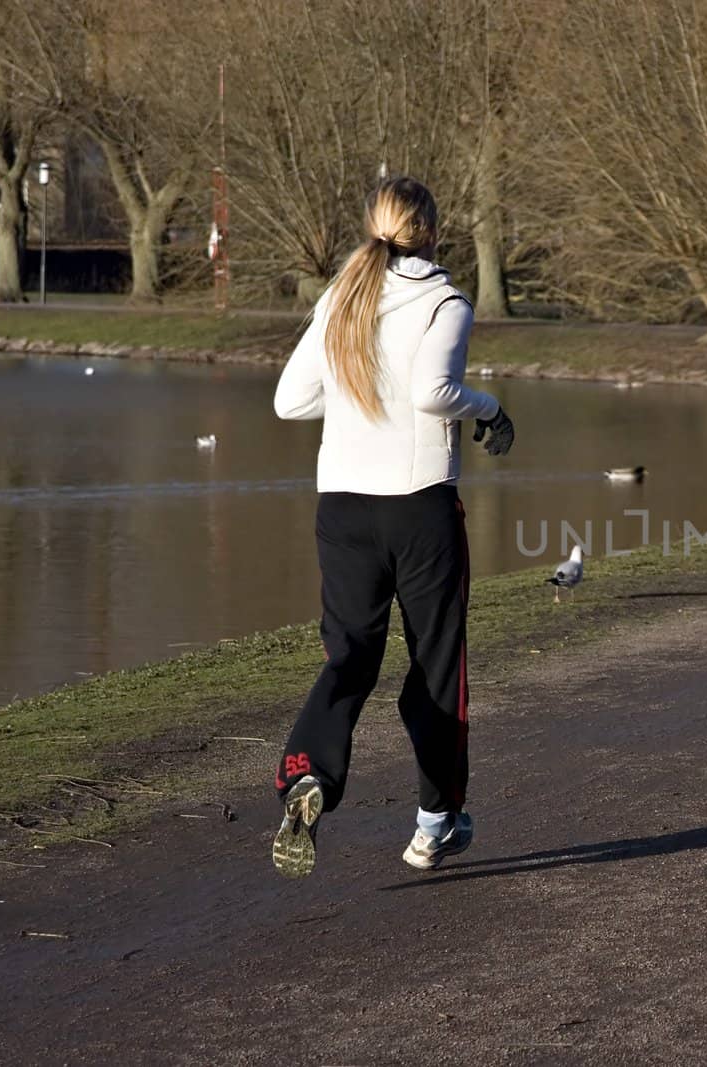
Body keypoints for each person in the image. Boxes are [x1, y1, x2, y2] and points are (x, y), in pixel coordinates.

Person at [268, 176, 515, 879]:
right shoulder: (445, 300)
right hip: (417, 505)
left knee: (349, 654)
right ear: (433, 231)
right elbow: (433, 392)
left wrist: (353, 402)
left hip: (342, 505)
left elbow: (290, 401)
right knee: (438, 660)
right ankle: (435, 822)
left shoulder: (342, 295)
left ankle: (308, 773)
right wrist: (491, 408)